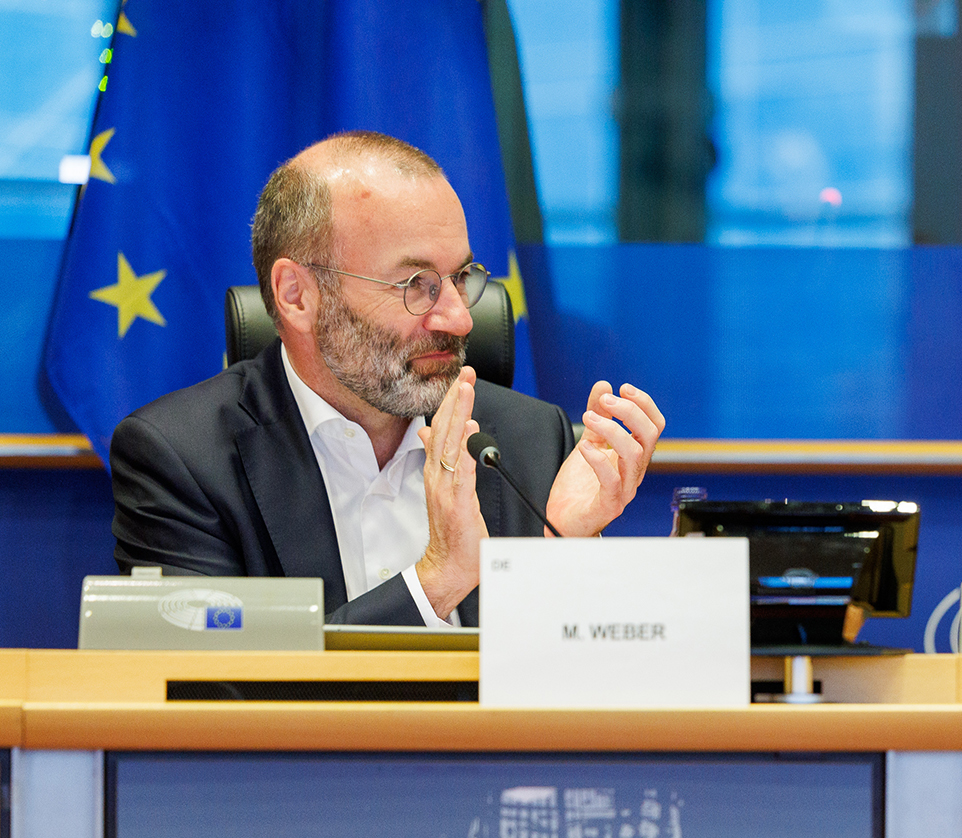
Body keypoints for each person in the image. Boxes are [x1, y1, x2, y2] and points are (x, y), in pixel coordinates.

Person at [110, 131, 665, 627]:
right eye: (416, 283)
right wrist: (435, 582)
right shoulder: (183, 458)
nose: (460, 317)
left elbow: (570, 697)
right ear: (297, 295)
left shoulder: (526, 441)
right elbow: (212, 686)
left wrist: (565, 548)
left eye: (461, 277)